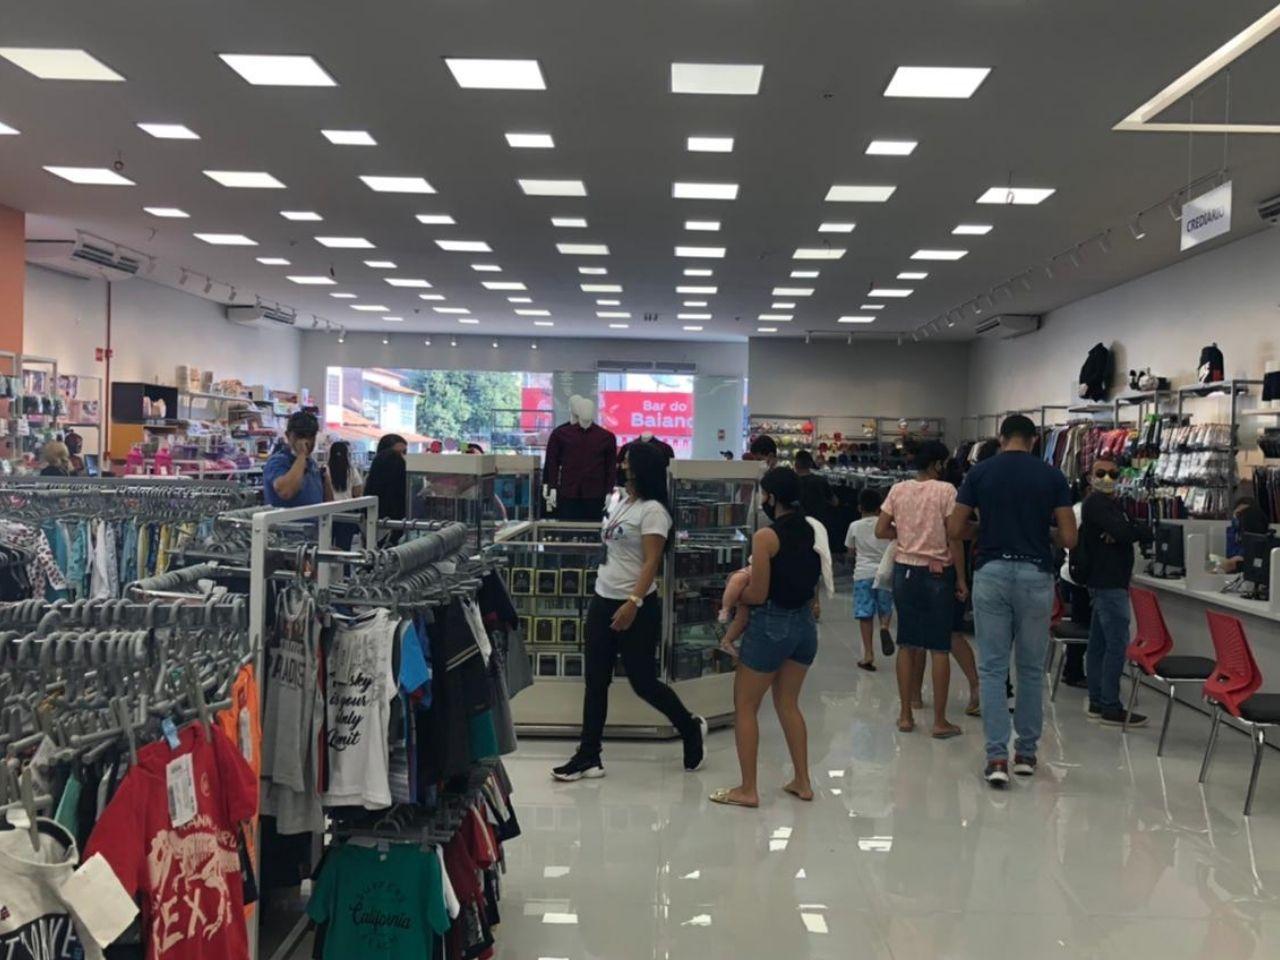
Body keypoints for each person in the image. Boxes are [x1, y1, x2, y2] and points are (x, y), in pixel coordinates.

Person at [553, 442, 705, 781]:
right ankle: (588, 755)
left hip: (635, 605)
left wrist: (633, 602)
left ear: (642, 468)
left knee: (643, 682)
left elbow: (652, 562)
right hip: (602, 599)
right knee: (595, 681)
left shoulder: (653, 511)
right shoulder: (622, 501)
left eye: (628, 461)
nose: (622, 465)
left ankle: (688, 726)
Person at [948, 415, 1077, 788]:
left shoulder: (980, 473)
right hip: (1036, 575)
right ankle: (1026, 754)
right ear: (1034, 441)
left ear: (1001, 438)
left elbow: (954, 528)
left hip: (991, 573)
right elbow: (1070, 538)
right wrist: (1043, 533)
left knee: (992, 669)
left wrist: (984, 529)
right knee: (1031, 669)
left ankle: (996, 757)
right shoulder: (1052, 476)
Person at [710, 468, 820, 808]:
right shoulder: (809, 529)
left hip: (771, 625)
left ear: (771, 497)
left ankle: (748, 789)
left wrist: (732, 598)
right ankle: (802, 781)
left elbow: (758, 593)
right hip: (804, 626)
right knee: (788, 703)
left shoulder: (766, 537)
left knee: (745, 706)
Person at [877, 440, 967, 739]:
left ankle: (905, 715)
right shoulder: (946, 491)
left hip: (904, 571)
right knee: (939, 647)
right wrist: (961, 579)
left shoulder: (898, 490)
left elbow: (880, 529)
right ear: (937, 464)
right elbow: (954, 536)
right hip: (938, 572)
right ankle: (939, 721)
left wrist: (903, 533)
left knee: (907, 643)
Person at [1079, 457, 1151, 727]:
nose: (1107, 478)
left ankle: (1098, 700)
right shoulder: (1096, 503)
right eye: (1101, 473)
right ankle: (1110, 705)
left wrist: (1126, 531)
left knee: (1099, 644)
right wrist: (1125, 532)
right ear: (1090, 476)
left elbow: (1135, 530)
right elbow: (1125, 531)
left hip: (1109, 581)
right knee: (1116, 644)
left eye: (1112, 473)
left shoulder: (1113, 505)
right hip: (1108, 582)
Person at [845, 487, 894, 670]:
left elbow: (850, 551)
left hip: (863, 574)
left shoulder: (854, 526)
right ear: (880, 508)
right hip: (885, 573)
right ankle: (884, 627)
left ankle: (868, 654)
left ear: (859, 507)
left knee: (865, 614)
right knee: (885, 607)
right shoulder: (888, 526)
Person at [263, 411, 324, 508]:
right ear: (288, 435)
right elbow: (286, 492)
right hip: (286, 518)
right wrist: (301, 455)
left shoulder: (312, 464)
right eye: (300, 436)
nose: (306, 441)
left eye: (311, 436)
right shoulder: (277, 461)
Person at [364, 433, 408, 532]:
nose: (402, 457)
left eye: (405, 452)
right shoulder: (372, 480)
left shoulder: (408, 478)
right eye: (398, 453)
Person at [1224, 496, 1270, 573]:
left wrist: (1243, 558)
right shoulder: (1229, 532)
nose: (1242, 517)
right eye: (1238, 514)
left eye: (1245, 514)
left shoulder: (1261, 535)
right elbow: (1228, 554)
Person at [794, 450, 837, 528]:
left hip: (797, 523)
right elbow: (835, 502)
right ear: (811, 464)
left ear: (795, 465)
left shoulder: (791, 482)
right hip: (818, 523)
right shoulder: (821, 480)